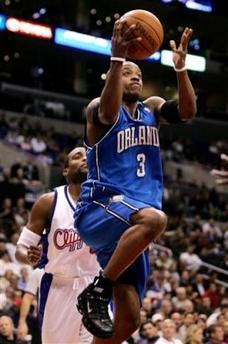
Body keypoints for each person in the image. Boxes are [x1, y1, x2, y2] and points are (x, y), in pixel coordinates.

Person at [74, 18, 197, 342]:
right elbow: (108, 110)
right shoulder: (100, 110)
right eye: (128, 73)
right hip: (101, 208)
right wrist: (118, 59)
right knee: (156, 220)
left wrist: (181, 71)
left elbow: (187, 112)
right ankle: (98, 290)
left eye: (138, 74)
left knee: (129, 320)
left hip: (133, 224)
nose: (135, 78)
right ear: (115, 75)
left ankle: (103, 292)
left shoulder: (152, 109)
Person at [15, 147, 100, 344]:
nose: (84, 160)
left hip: (94, 286)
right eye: (77, 157)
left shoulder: (104, 203)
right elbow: (21, 249)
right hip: (59, 287)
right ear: (66, 171)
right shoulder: (49, 202)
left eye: (87, 157)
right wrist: (29, 256)